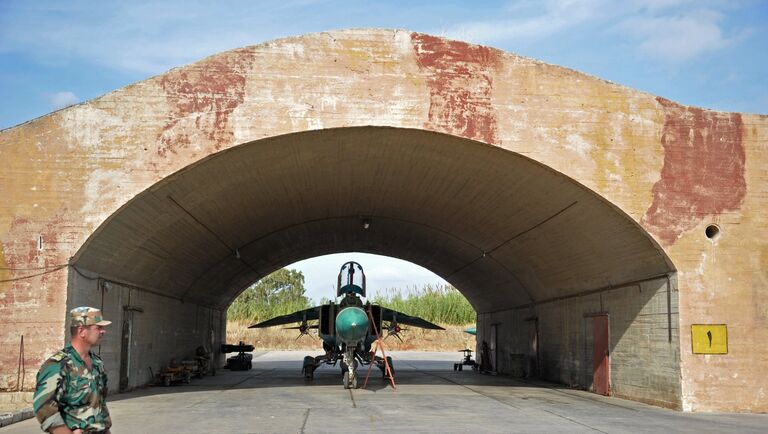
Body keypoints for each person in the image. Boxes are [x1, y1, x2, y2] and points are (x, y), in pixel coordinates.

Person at [33, 307, 113, 434]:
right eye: (98, 328)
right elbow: (43, 407)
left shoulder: (97, 363)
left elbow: (99, 403)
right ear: (81, 331)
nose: (103, 331)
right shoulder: (58, 365)